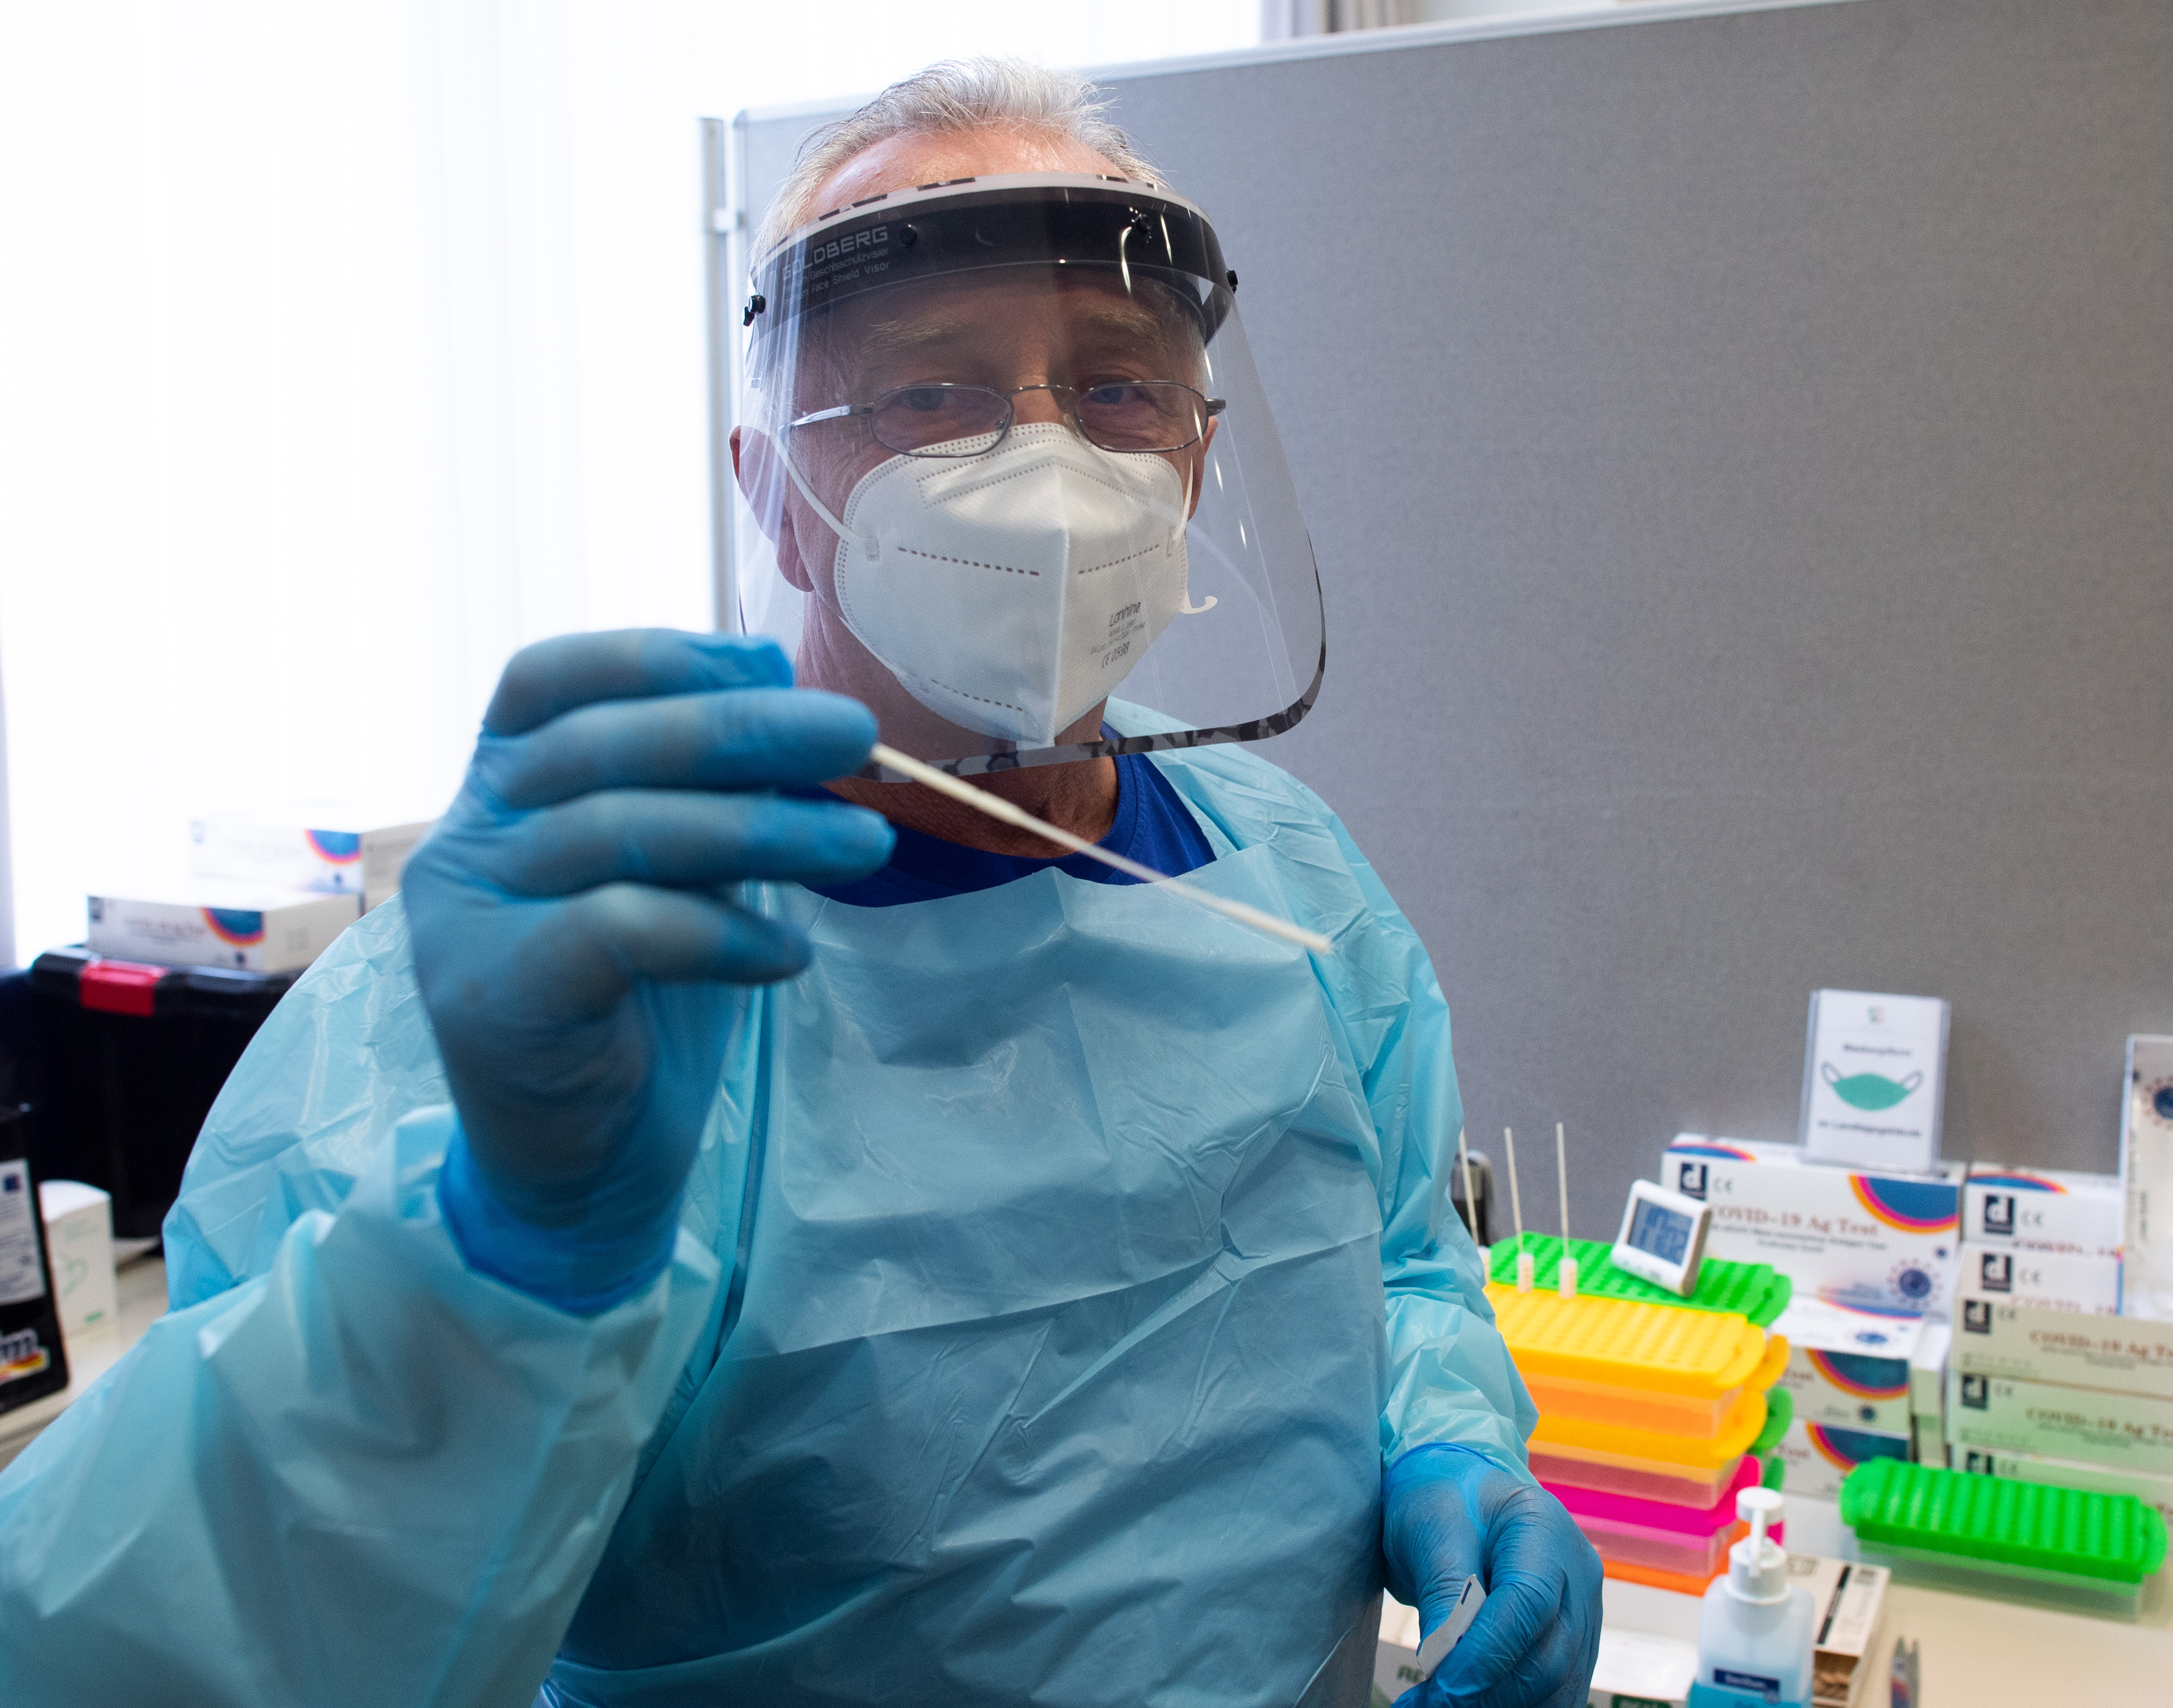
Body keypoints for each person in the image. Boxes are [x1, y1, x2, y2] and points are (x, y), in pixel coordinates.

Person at [0, 59, 1601, 1708]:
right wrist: (496, 1259)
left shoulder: (1286, 875)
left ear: (1193, 467)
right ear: (777, 488)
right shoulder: (578, 982)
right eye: (933, 391)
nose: (1049, 468)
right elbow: (199, 1634)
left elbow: (1400, 1261)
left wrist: (1450, 1445)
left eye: (1117, 387)